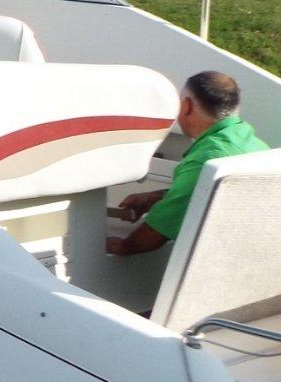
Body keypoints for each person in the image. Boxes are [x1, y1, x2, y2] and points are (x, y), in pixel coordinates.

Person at [108, 71, 268, 256]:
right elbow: (210, 194)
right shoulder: (251, 143)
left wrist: (123, 247)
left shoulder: (207, 158)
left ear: (187, 106)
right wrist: (158, 196)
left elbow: (162, 226)